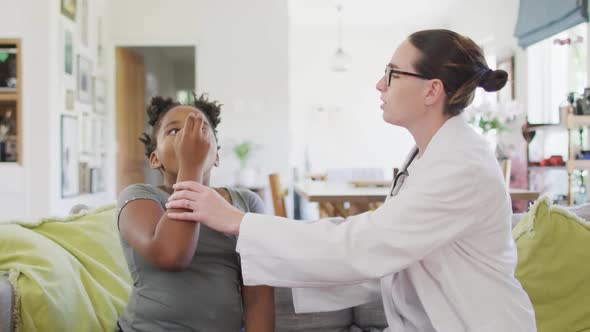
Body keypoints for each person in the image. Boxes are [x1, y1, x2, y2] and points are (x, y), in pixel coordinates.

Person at [165, 30, 537, 331]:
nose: (379, 84)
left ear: (431, 90)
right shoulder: (428, 156)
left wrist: (237, 222)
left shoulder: (461, 167)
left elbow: (365, 245)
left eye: (392, 73)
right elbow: (382, 253)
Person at [116, 94, 274, 332]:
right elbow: (172, 255)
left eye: (201, 129)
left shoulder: (247, 202)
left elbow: (259, 294)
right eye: (173, 131)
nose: (187, 138)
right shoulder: (139, 197)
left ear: (217, 155)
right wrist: (191, 167)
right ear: (155, 158)